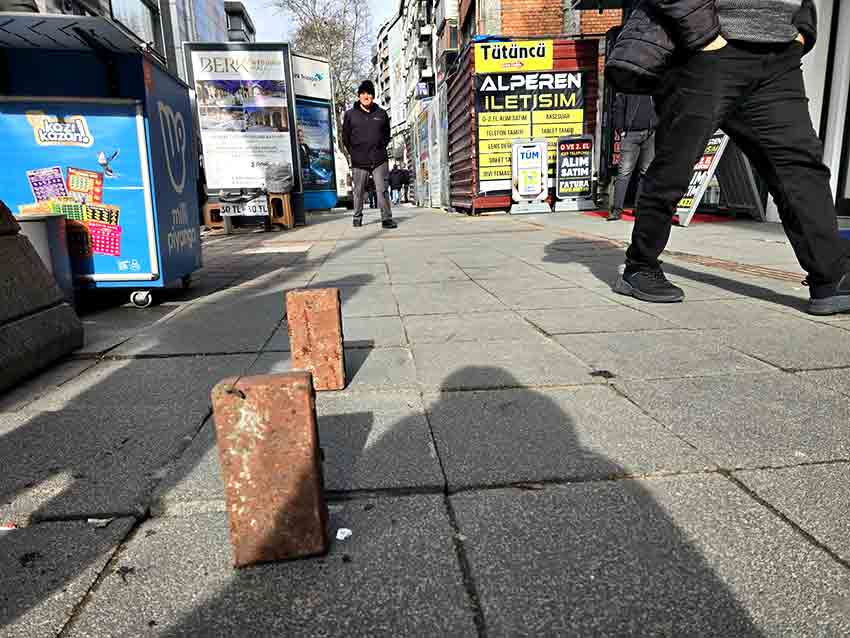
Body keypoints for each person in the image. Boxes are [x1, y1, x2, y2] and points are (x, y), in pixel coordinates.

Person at [606, 0, 850, 316]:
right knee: (676, 165)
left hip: (780, 51)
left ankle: (832, 276)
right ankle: (641, 264)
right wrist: (705, 35)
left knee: (801, 165)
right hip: (709, 47)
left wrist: (804, 26)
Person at [342, 80, 396, 229]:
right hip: (359, 160)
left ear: (373, 96)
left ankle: (386, 218)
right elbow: (345, 137)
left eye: (369, 93)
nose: (366, 96)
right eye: (363, 93)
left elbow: (386, 134)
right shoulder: (350, 115)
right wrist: (354, 152)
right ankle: (357, 217)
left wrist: (379, 147)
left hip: (379, 159)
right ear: (359, 95)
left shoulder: (381, 113)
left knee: (382, 189)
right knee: (358, 191)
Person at [608, 94, 656, 221]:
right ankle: (616, 210)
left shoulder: (655, 83)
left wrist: (657, 124)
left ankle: (639, 208)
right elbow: (618, 107)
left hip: (650, 133)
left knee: (645, 173)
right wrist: (620, 129)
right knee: (624, 172)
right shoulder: (629, 84)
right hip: (630, 134)